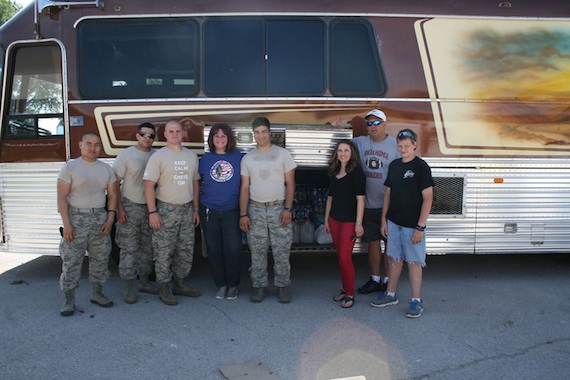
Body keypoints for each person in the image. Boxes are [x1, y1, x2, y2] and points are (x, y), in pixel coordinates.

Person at [370, 129, 434, 318]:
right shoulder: (395, 165)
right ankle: (390, 294)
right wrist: (384, 220)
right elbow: (388, 194)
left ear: (414, 144)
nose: (403, 148)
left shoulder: (421, 167)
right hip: (393, 222)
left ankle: (416, 301)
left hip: (412, 225)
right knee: (394, 259)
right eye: (400, 145)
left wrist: (420, 226)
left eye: (407, 145)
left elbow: (428, 198)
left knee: (414, 262)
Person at [57, 132, 117, 317]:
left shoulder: (106, 169)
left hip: (99, 217)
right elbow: (61, 197)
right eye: (89, 143)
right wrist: (66, 223)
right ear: (80, 144)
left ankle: (97, 293)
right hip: (76, 218)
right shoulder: (71, 167)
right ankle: (69, 300)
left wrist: (110, 218)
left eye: (97, 144)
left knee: (100, 259)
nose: (93, 148)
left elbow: (113, 195)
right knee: (72, 261)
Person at [143, 120, 201, 306]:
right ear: (165, 135)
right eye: (171, 131)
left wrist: (196, 208)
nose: (175, 134)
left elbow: (195, 183)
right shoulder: (158, 157)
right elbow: (148, 185)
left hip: (186, 209)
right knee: (163, 251)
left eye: (178, 131)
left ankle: (179, 283)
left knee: (185, 249)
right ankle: (164, 287)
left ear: (183, 133)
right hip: (166, 209)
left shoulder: (191, 156)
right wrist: (153, 212)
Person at [239, 117, 296, 303]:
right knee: (257, 251)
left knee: (281, 250)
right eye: (257, 132)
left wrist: (288, 208)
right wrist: (243, 214)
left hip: (278, 207)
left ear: (270, 132)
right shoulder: (248, 158)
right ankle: (260, 287)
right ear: (253, 134)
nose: (261, 135)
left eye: (264, 131)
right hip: (255, 208)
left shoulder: (282, 154)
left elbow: (290, 183)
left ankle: (282, 287)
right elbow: (245, 188)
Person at [352, 109, 399, 294]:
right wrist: (335, 126)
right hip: (368, 204)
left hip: (389, 205)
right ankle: (375, 279)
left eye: (376, 123)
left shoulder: (395, 145)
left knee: (389, 244)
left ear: (385, 124)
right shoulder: (361, 142)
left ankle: (388, 280)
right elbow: (342, 144)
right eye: (369, 123)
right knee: (372, 242)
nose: (372, 127)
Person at [113, 122, 158, 304]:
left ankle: (144, 282)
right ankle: (129, 287)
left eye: (151, 135)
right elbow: (114, 184)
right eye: (144, 134)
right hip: (130, 207)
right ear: (137, 136)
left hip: (150, 209)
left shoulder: (157, 156)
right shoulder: (126, 155)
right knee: (129, 249)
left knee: (147, 248)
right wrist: (119, 209)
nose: (147, 138)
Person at [199, 123, 243, 300]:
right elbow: (197, 183)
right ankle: (221, 285)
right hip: (209, 210)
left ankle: (233, 285)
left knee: (233, 249)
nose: (219, 139)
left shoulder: (239, 157)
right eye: (216, 136)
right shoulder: (205, 159)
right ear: (211, 139)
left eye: (223, 136)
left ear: (229, 138)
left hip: (231, 209)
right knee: (214, 249)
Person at [324, 140, 366, 309]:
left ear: (352, 153)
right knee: (341, 259)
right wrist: (327, 219)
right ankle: (345, 288)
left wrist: (358, 223)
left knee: (345, 258)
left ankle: (350, 295)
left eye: (346, 150)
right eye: (340, 150)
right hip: (334, 220)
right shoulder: (334, 172)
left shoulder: (356, 173)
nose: (343, 153)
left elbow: (361, 200)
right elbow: (330, 198)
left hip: (349, 222)